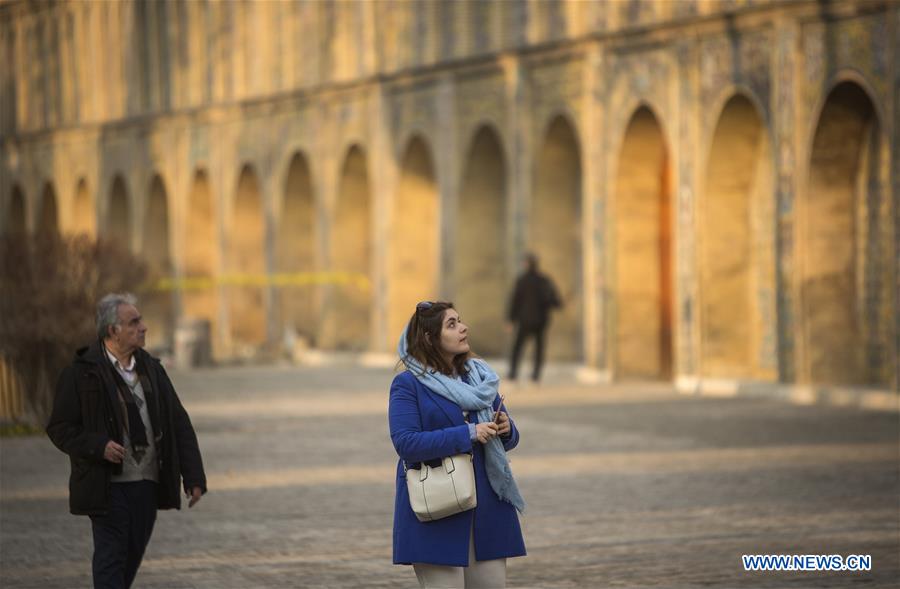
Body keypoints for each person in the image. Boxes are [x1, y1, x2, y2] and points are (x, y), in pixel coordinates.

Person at [46, 293, 207, 589]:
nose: (144, 327)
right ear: (113, 331)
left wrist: (193, 476)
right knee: (110, 558)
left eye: (141, 320)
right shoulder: (82, 373)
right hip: (106, 485)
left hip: (147, 483)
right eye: (134, 322)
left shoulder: (152, 370)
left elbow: (178, 422)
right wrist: (98, 446)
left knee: (130, 557)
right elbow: (60, 427)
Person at [389, 301, 526, 588]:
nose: (463, 328)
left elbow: (507, 438)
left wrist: (505, 428)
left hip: (488, 508)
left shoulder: (478, 378)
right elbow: (406, 443)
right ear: (429, 338)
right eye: (451, 324)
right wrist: (468, 433)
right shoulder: (408, 384)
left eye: (460, 321)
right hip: (438, 506)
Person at [506, 253, 562, 382]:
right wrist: (558, 304)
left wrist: (510, 320)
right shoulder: (545, 281)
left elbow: (515, 301)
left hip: (524, 320)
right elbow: (553, 300)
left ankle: (513, 373)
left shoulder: (521, 280)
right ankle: (535, 375)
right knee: (538, 348)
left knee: (518, 347)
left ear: (526, 264)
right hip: (540, 321)